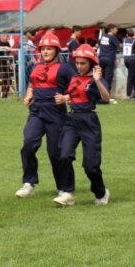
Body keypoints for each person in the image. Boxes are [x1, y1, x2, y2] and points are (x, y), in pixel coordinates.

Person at [16, 30, 75, 198]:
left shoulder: (64, 69)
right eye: (43, 49)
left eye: (49, 48)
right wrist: (28, 95)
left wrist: (65, 98)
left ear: (56, 50)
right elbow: (32, 85)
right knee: (28, 143)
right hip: (36, 110)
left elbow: (77, 87)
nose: (45, 52)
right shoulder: (36, 66)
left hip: (56, 112)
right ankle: (29, 183)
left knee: (55, 152)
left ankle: (63, 188)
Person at [53, 44, 110, 206]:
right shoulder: (74, 77)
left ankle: (101, 192)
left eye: (83, 63)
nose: (79, 66)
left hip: (89, 121)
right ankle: (67, 193)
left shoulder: (96, 79)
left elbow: (106, 98)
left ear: (91, 63)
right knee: (64, 155)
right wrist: (65, 98)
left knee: (90, 166)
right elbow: (74, 94)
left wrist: (98, 81)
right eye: (77, 63)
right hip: (72, 119)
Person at [97, 25, 121, 98]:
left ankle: (101, 94)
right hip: (109, 58)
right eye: (115, 29)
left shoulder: (103, 36)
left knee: (102, 77)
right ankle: (107, 94)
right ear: (111, 29)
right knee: (108, 77)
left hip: (101, 58)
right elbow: (119, 46)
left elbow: (98, 43)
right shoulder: (113, 37)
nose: (117, 30)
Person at [121, 27, 135, 99]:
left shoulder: (124, 40)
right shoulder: (134, 41)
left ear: (126, 34)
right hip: (132, 59)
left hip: (126, 59)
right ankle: (128, 94)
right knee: (131, 77)